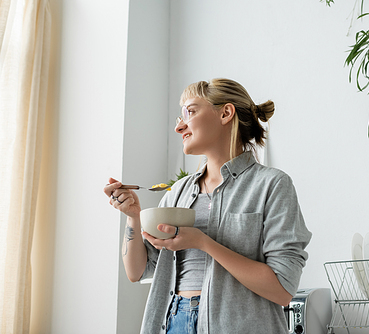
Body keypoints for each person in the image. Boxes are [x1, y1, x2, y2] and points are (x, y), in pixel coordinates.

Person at [104, 78, 312, 334]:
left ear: (225, 113)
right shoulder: (178, 192)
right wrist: (133, 216)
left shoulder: (272, 185)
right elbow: (137, 271)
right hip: (174, 321)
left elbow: (283, 289)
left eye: (189, 112)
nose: (179, 126)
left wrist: (203, 242)